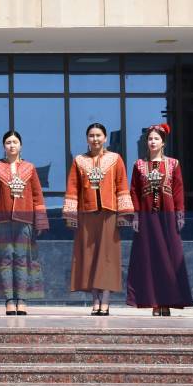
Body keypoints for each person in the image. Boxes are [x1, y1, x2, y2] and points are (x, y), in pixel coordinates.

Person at [63, 123, 133, 316]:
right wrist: (71, 215)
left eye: (98, 135)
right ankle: (95, 300)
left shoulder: (115, 159)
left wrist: (123, 214)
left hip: (109, 214)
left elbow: (122, 185)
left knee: (107, 258)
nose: (95, 139)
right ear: (87, 139)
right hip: (86, 215)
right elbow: (72, 188)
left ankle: (106, 301)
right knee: (89, 257)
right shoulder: (79, 161)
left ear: (105, 138)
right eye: (91, 135)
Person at [126, 123, 193, 316]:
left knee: (170, 257)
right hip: (147, 217)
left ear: (163, 142)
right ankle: (155, 302)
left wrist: (179, 214)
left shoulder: (173, 164)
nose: (153, 142)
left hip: (168, 215)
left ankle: (168, 301)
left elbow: (178, 190)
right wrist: (136, 215)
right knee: (150, 258)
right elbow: (134, 191)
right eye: (150, 139)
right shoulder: (139, 165)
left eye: (156, 139)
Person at [0, 130, 48, 316]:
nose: (12, 145)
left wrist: (40, 221)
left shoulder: (29, 168)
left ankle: (22, 300)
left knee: (22, 259)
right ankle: (9, 300)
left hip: (25, 220)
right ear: (4, 146)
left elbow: (37, 195)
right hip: (2, 220)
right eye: (8, 142)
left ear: (21, 145)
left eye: (15, 142)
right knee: (5, 259)